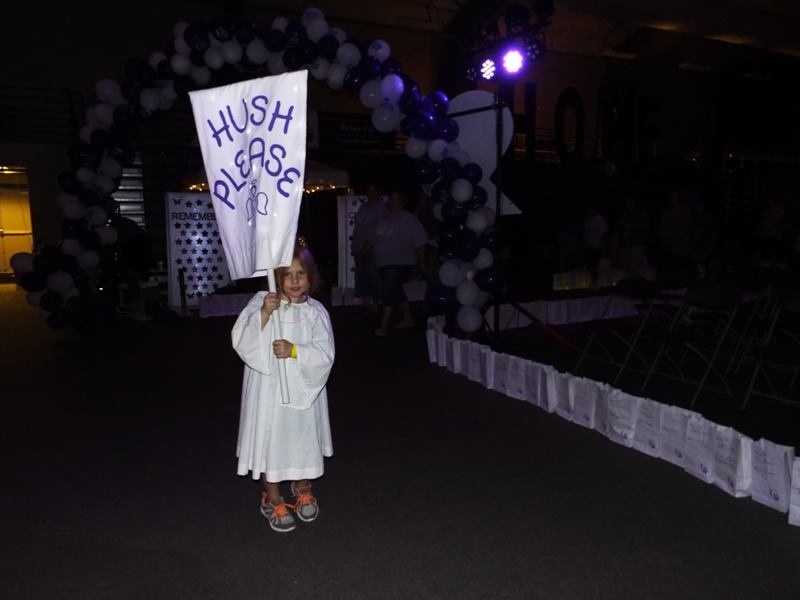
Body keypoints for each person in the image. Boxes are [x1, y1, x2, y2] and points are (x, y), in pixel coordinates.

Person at [231, 242, 334, 533]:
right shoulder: (264, 301)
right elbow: (242, 339)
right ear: (277, 277)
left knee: (301, 438)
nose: (295, 280)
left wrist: (294, 350)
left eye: (301, 273)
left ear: (311, 277)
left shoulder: (316, 312)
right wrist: (264, 314)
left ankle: (302, 485)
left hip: (304, 390)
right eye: (287, 274)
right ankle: (273, 496)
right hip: (270, 391)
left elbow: (325, 354)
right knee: (271, 440)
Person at [371, 190, 428, 336]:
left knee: (389, 290)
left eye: (396, 199)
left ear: (403, 202)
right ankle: (408, 319)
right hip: (382, 262)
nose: (392, 202)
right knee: (395, 290)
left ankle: (383, 325)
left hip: (401, 261)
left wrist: (422, 261)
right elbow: (374, 240)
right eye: (391, 199)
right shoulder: (384, 219)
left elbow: (420, 240)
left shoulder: (409, 218)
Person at [351, 183, 389, 311]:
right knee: (362, 277)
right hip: (359, 248)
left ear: (378, 193)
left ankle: (378, 303)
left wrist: (365, 248)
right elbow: (358, 228)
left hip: (373, 249)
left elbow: (377, 231)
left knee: (374, 276)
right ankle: (365, 303)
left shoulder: (382, 207)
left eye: (373, 191)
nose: (370, 194)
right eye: (368, 191)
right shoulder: (363, 207)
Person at [582, 203, 608, 283]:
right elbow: (585, 234)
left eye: (590, 208)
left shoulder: (600, 219)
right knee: (590, 268)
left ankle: (599, 283)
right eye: (588, 208)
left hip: (597, 247)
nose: (589, 210)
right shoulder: (586, 220)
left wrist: (603, 246)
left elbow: (604, 233)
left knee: (598, 268)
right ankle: (593, 283)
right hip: (588, 248)